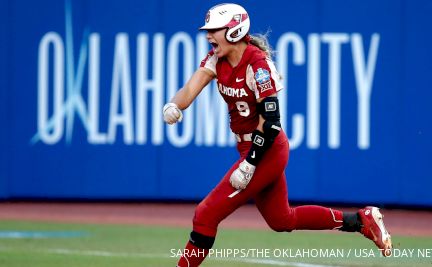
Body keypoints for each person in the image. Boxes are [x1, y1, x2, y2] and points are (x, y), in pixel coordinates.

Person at [163, 3, 392, 266]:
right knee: (281, 220)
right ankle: (361, 220)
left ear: (234, 30)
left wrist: (250, 163)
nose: (208, 36)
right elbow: (189, 88)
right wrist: (174, 105)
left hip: (266, 149)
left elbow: (270, 122)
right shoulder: (216, 59)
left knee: (205, 214)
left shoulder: (258, 65)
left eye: (214, 30)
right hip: (249, 150)